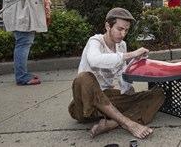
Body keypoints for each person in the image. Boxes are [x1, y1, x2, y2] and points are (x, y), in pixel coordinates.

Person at [68, 8, 165, 139]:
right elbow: (94, 60)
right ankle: (128, 123)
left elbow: (121, 74)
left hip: (106, 101)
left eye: (126, 30)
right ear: (108, 26)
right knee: (84, 78)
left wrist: (130, 90)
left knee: (157, 94)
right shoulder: (95, 41)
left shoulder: (121, 45)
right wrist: (131, 54)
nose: (123, 33)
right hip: (85, 106)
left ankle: (112, 123)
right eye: (120, 29)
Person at [2, 0, 52, 86]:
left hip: (23, 12)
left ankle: (23, 74)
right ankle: (22, 77)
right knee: (23, 43)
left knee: (24, 43)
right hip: (21, 13)